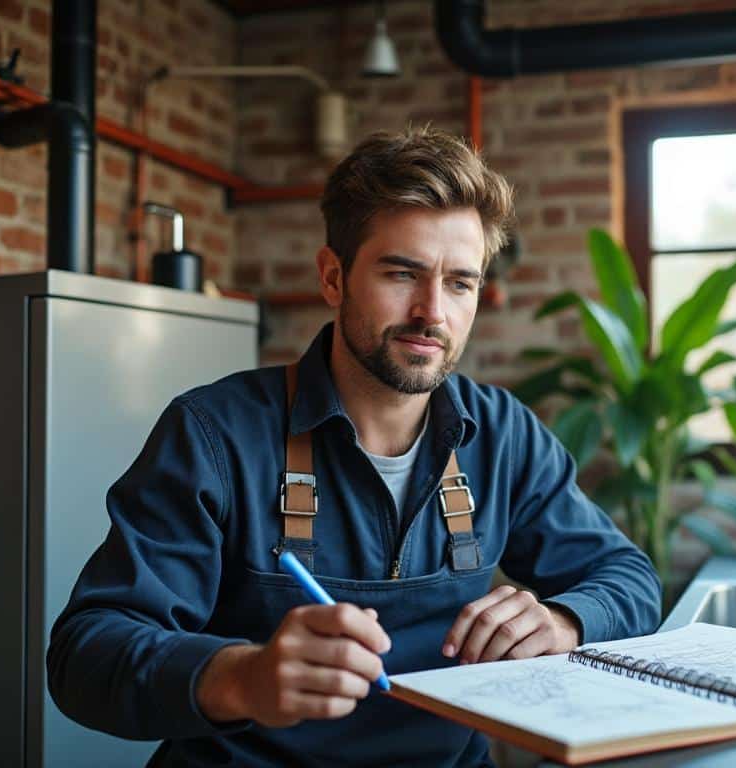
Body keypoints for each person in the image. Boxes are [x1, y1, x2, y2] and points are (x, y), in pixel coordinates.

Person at [48, 125, 661, 766]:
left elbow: (629, 578)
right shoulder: (213, 433)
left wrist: (568, 620)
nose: (433, 312)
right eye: (403, 273)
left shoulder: (503, 434)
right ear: (334, 278)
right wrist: (239, 677)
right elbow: (85, 655)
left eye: (460, 283)